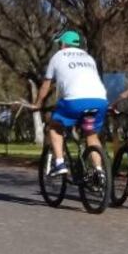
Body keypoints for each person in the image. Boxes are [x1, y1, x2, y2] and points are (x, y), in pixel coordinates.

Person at [29, 30, 108, 179]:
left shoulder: (58, 56)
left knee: (54, 126)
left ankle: (59, 163)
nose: (59, 46)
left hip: (74, 101)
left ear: (63, 44)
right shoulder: (89, 58)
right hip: (99, 100)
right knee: (91, 134)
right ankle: (99, 171)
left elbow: (46, 85)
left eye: (60, 43)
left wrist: (37, 104)